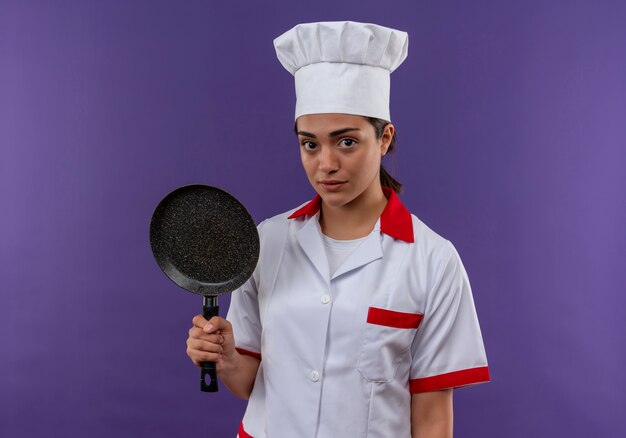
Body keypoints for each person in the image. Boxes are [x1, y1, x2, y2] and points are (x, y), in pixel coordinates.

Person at [186, 21, 490, 438]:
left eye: (346, 141)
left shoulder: (432, 260)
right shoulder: (266, 242)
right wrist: (224, 359)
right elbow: (248, 384)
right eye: (310, 143)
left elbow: (434, 416)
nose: (325, 163)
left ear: (384, 139)